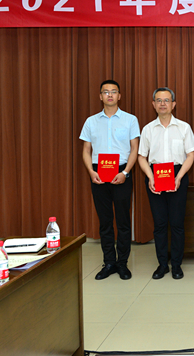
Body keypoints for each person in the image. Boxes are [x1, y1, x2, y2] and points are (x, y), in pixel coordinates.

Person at [80, 80, 140, 281]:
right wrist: (91, 171)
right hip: (98, 174)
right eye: (106, 92)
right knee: (105, 221)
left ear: (119, 96)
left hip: (122, 172)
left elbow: (135, 149)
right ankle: (109, 262)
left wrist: (126, 172)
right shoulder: (91, 121)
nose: (110, 95)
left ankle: (122, 263)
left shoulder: (130, 120)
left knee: (123, 221)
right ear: (100, 96)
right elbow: (86, 150)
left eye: (114, 91)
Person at [138, 87, 194, 280]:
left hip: (178, 174)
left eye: (166, 100)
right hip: (155, 176)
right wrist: (151, 177)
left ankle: (177, 265)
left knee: (177, 223)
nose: (163, 104)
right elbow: (141, 157)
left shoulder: (184, 127)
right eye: (159, 100)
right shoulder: (148, 129)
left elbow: (190, 155)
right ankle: (162, 264)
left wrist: (179, 177)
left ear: (173, 104)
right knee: (160, 224)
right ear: (153, 104)